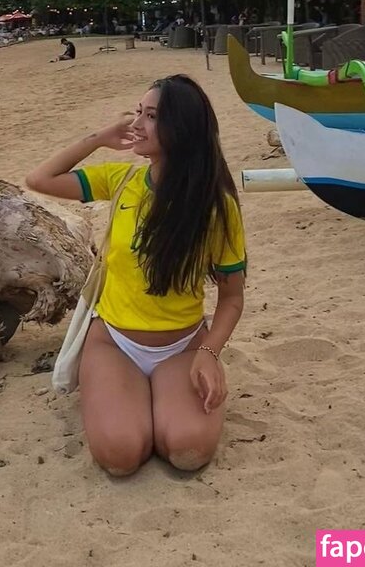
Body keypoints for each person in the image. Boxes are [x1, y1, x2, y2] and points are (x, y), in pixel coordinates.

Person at [26, 74, 246, 476]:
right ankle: (125, 397)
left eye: (152, 116)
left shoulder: (216, 208)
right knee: (121, 455)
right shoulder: (121, 180)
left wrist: (210, 353)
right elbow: (39, 180)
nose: (136, 124)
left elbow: (232, 298)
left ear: (181, 128)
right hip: (115, 342)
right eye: (138, 112)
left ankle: (156, 398)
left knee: (188, 451)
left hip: (182, 346)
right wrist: (98, 138)